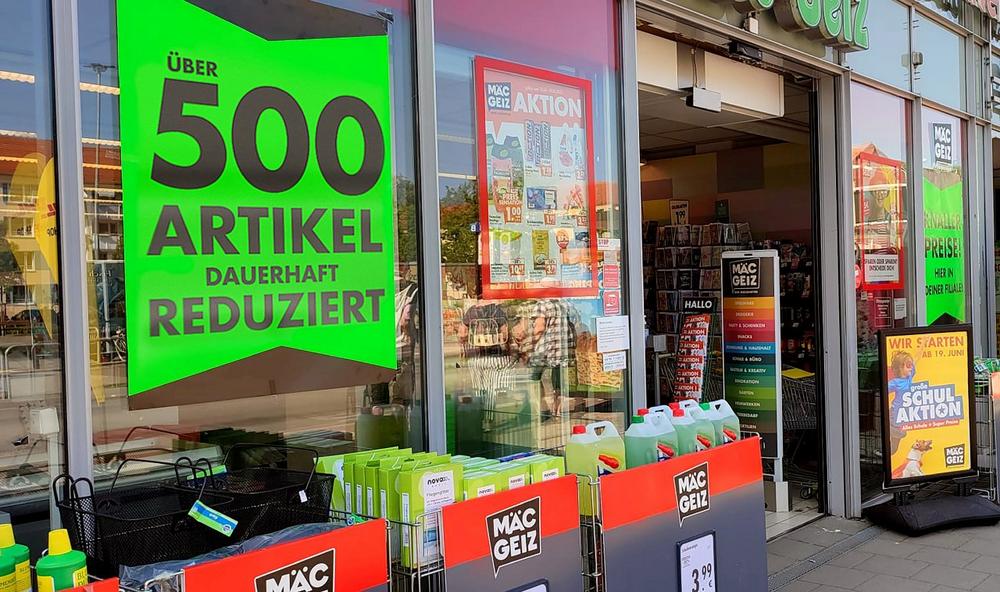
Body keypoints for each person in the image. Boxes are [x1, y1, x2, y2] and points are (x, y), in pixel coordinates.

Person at [527, 299, 577, 420]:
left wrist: (530, 344)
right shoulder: (565, 303)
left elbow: (539, 328)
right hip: (563, 349)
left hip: (545, 349)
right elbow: (574, 324)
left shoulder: (542, 305)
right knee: (558, 381)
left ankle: (542, 409)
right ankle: (558, 410)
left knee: (534, 378)